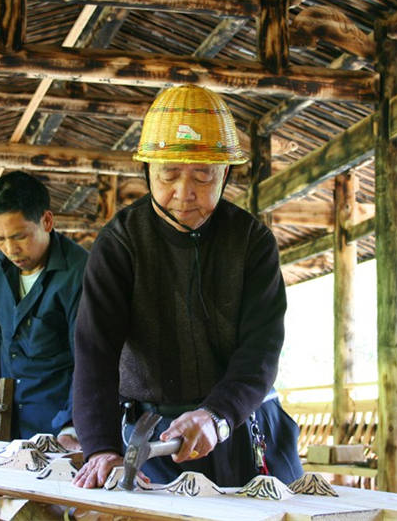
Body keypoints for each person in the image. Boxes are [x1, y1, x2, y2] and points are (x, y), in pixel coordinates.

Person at [71, 84, 303, 488]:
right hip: (154, 435)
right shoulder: (120, 243)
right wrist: (101, 446)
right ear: (147, 171)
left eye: (202, 175)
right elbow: (95, 351)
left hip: (242, 420)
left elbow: (261, 349)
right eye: (169, 174)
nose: (185, 194)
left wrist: (218, 414)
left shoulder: (251, 241)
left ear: (225, 173)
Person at [0, 171, 88, 446]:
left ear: (47, 221)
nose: (10, 249)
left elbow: (90, 359)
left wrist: (73, 426)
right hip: (11, 423)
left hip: (63, 428)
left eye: (20, 236)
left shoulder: (79, 273)